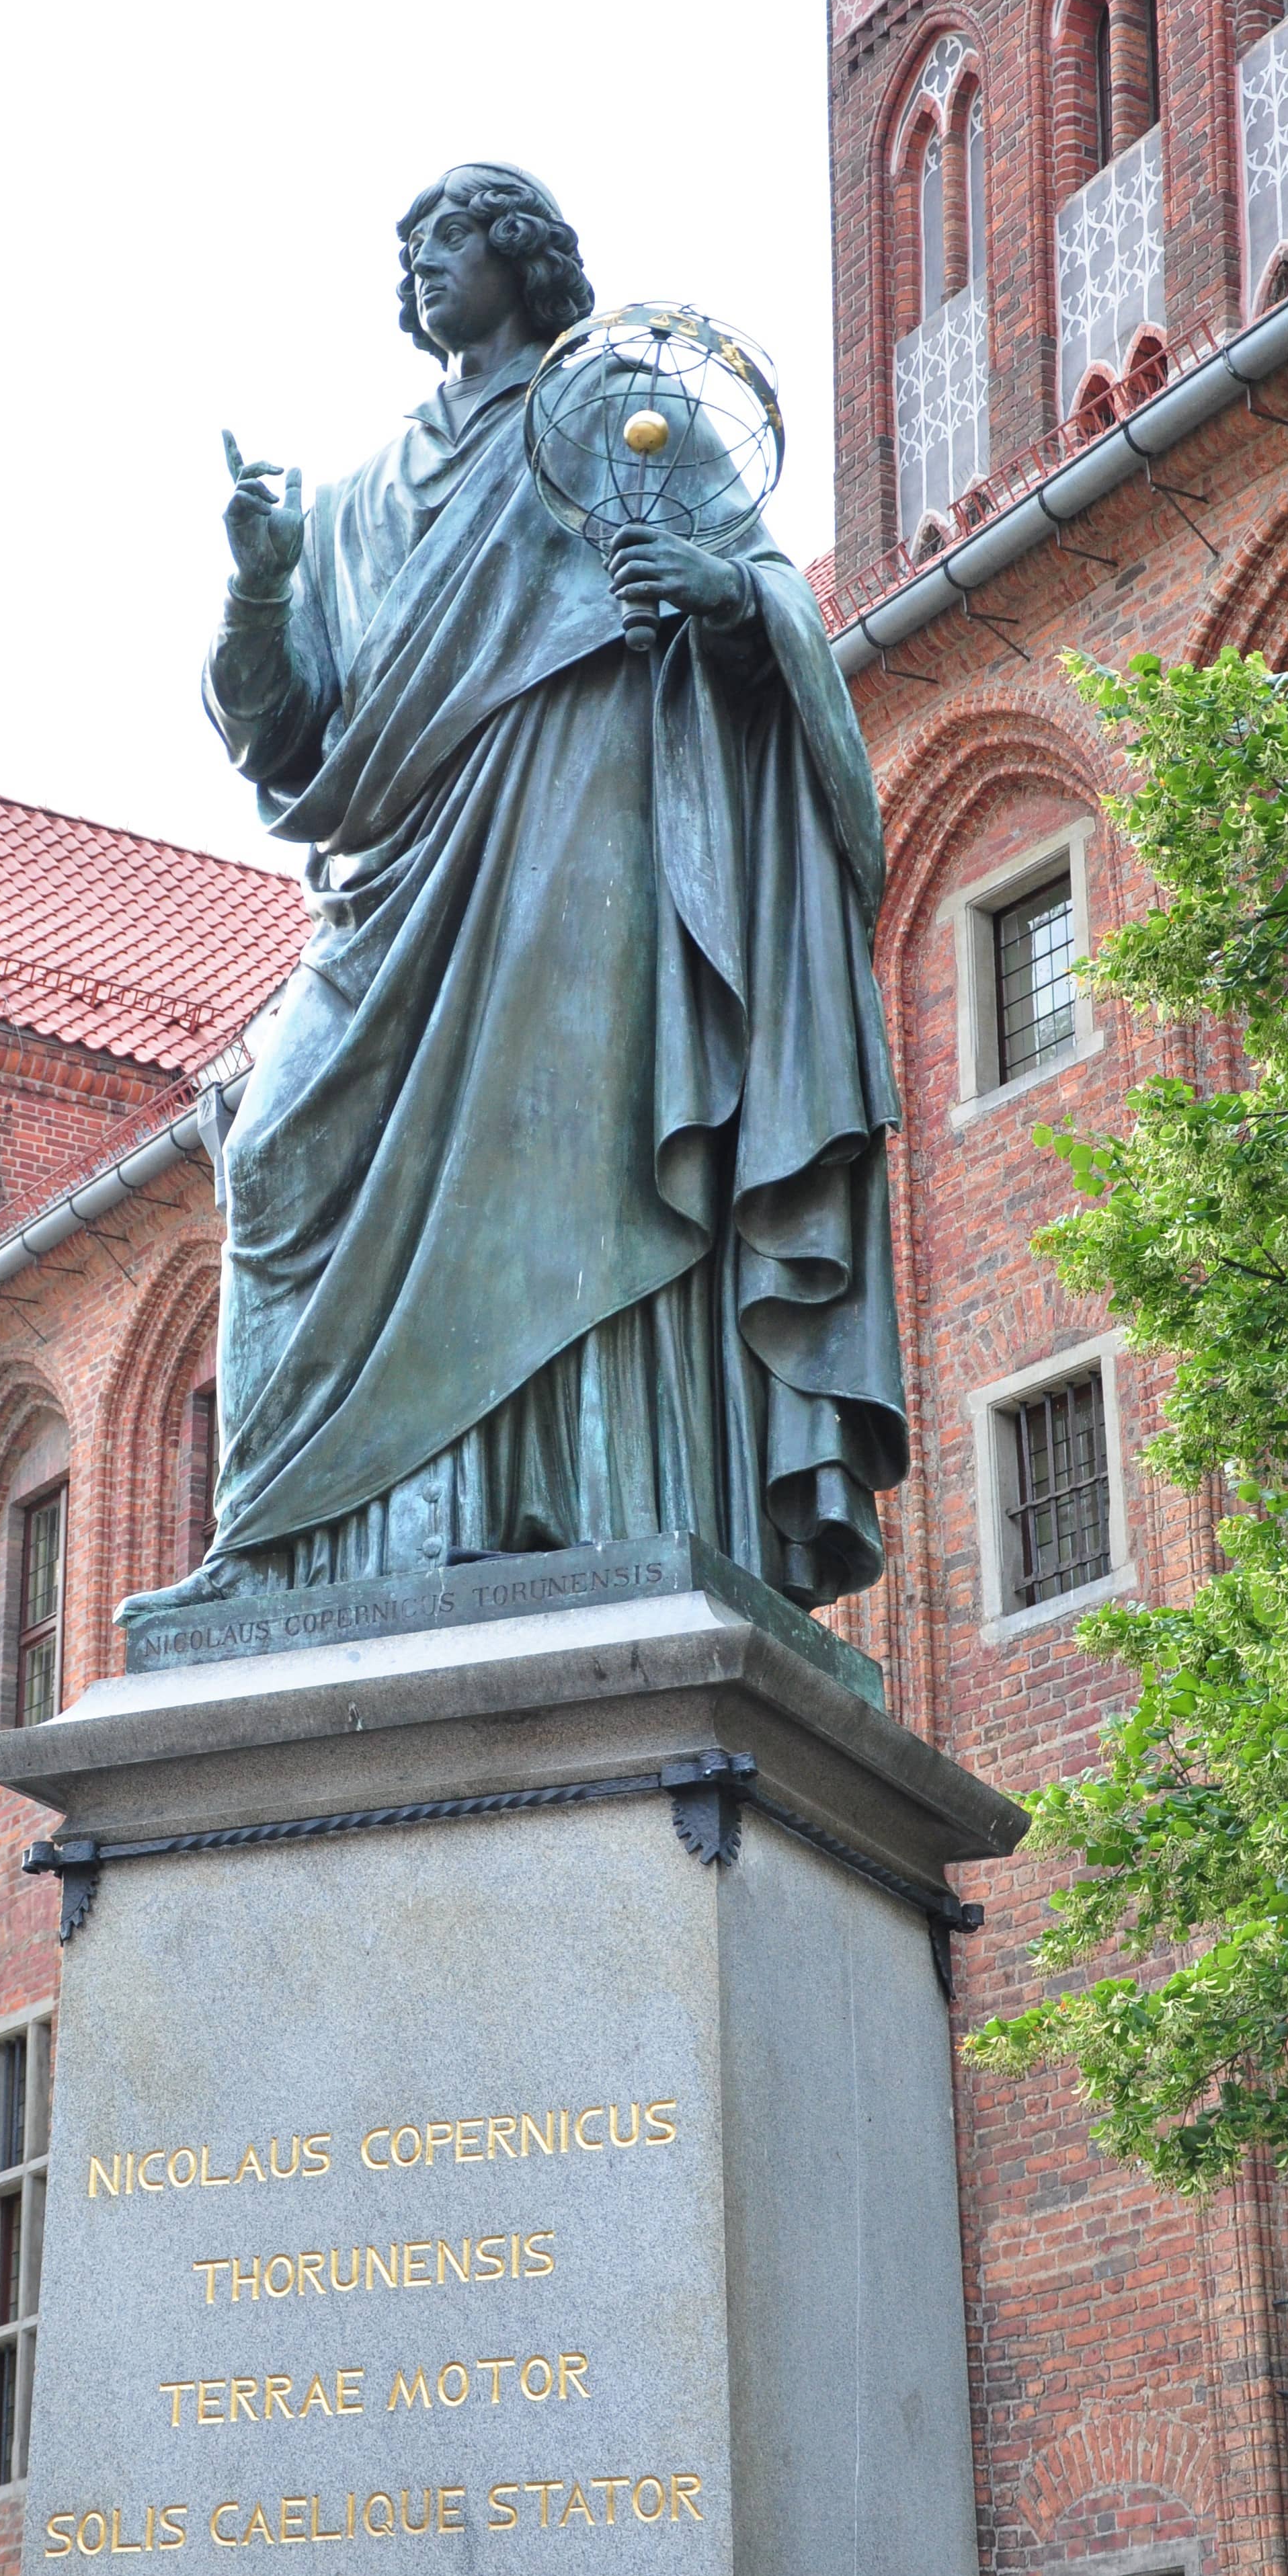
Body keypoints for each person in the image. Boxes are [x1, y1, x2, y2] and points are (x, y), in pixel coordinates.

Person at [118, 161, 905, 1625]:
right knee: (276, 1152)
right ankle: (288, 1528)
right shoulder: (348, 507)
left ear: (525, 259)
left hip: (573, 836)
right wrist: (254, 587)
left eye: (456, 236)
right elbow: (286, 742)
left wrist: (719, 593)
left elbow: (768, 594)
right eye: (410, 246)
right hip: (387, 884)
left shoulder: (612, 415)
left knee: (575, 1165)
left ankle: (576, 1504)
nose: (425, 263)